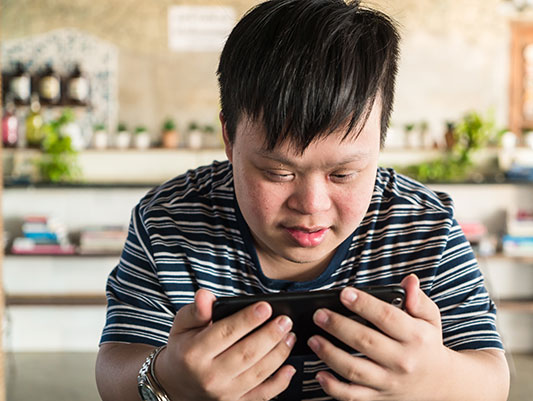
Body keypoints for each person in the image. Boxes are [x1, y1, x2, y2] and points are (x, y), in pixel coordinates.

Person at [95, 0, 510, 400]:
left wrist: (436, 380)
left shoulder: (425, 228)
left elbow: (492, 378)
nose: (312, 205)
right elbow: (114, 365)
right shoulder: (168, 220)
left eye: (343, 174)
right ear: (229, 136)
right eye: (278, 172)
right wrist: (166, 378)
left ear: (380, 143)